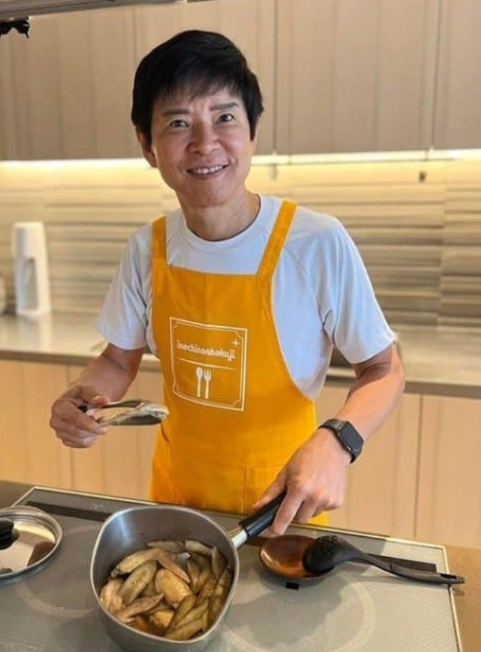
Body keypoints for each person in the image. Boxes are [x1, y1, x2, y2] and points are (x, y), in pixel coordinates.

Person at [49, 29, 405, 535]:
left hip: (281, 508)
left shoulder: (314, 243)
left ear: (252, 131)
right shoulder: (147, 249)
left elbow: (384, 369)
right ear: (147, 145)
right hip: (176, 503)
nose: (204, 143)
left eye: (224, 117)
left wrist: (338, 442)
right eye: (178, 122)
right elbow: (117, 360)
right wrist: (81, 401)